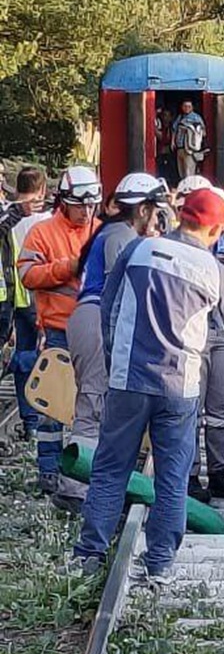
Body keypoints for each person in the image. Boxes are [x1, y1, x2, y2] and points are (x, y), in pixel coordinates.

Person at [72, 189, 224, 581]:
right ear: (216, 228)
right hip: (179, 386)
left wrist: (118, 357)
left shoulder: (138, 250)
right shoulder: (214, 269)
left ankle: (89, 554)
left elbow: (108, 305)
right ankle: (160, 562)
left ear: (181, 216)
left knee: (110, 469)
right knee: (171, 477)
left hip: (128, 380)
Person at [55, 173, 169, 515]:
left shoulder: (111, 231)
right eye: (155, 210)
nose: (158, 218)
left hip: (87, 318)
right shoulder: (121, 237)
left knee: (97, 402)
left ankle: (89, 484)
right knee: (94, 403)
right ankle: (75, 489)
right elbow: (125, 290)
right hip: (96, 319)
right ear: (144, 209)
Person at [18, 166, 102, 493]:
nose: (86, 212)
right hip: (59, 331)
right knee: (53, 406)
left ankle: (86, 469)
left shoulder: (101, 231)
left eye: (91, 206)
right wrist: (67, 267)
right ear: (64, 202)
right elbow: (28, 275)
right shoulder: (43, 233)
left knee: (91, 405)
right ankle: (49, 469)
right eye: (81, 205)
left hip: (95, 334)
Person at [182, 182, 224, 502]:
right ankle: (192, 474)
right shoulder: (180, 249)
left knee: (221, 408)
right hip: (196, 337)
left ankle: (219, 472)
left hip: (219, 335)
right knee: (193, 410)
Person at [0, 165, 47, 438]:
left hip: (14, 295)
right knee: (43, 354)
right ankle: (39, 417)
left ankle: (30, 419)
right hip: (31, 296)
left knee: (24, 355)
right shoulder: (44, 221)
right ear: (41, 190)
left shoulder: (11, 215)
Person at [172, 101, 208, 181]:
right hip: (180, 147)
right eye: (185, 106)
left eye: (189, 106)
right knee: (181, 172)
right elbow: (174, 129)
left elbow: (203, 132)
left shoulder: (196, 118)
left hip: (190, 149)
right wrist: (172, 142)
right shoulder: (180, 117)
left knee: (189, 172)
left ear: (192, 107)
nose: (186, 108)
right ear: (182, 107)